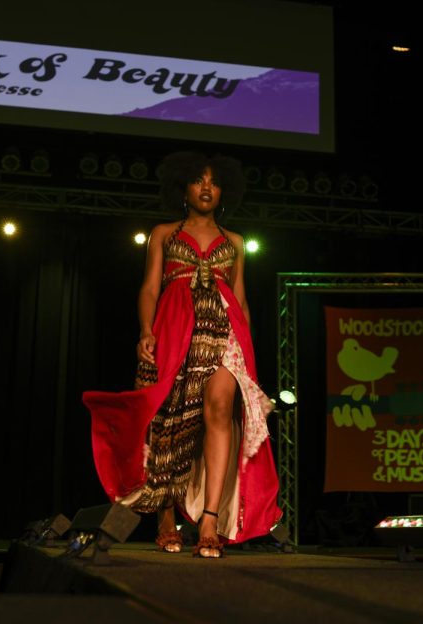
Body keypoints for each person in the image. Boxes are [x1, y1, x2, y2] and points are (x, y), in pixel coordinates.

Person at [83, 151, 280, 558]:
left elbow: (240, 299)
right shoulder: (164, 234)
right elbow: (150, 288)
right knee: (169, 423)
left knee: (220, 409)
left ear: (225, 189)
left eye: (213, 180)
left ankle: (210, 519)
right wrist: (145, 332)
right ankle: (167, 518)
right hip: (176, 330)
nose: (206, 186)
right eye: (197, 180)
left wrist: (247, 351)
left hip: (225, 332)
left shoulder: (236, 242)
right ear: (183, 188)